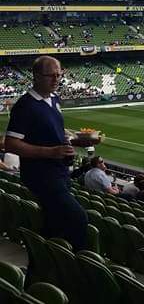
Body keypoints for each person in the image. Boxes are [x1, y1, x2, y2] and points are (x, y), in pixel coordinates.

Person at [3, 56, 88, 250]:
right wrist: (51, 152)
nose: (56, 79)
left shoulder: (54, 99)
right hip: (43, 177)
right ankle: (78, 271)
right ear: (36, 76)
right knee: (78, 220)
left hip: (60, 173)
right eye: (51, 75)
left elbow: (53, 135)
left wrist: (78, 141)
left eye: (59, 75)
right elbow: (11, 144)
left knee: (53, 228)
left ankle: (44, 270)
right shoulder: (26, 106)